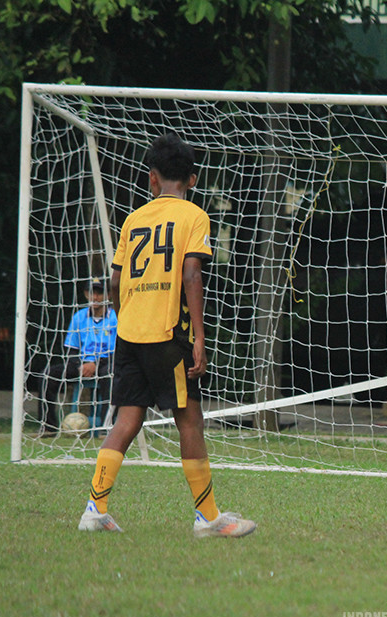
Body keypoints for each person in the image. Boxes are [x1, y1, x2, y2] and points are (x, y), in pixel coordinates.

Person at [78, 133, 255, 537]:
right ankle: (207, 518)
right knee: (190, 421)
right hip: (168, 333)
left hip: (130, 333)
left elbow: (117, 280)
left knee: (126, 419)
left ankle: (94, 509)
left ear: (152, 178)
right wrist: (199, 338)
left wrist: (130, 319)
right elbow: (192, 273)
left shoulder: (134, 219)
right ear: (192, 179)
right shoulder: (194, 216)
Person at [38, 279, 117, 435]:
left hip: (106, 362)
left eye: (100, 292)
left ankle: (106, 428)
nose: (95, 297)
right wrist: (82, 364)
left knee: (111, 375)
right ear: (86, 294)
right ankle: (49, 426)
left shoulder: (115, 317)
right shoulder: (79, 317)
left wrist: (95, 363)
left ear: (108, 294)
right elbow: (71, 348)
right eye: (91, 292)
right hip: (81, 363)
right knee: (47, 375)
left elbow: (119, 350)